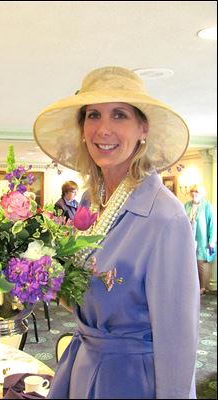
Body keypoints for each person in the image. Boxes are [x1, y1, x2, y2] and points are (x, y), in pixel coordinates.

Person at [33, 66, 200, 399]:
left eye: (119, 115)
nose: (103, 128)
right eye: (93, 115)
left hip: (129, 382)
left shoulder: (165, 217)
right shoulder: (88, 203)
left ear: (143, 129)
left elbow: (178, 339)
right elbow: (87, 295)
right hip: (80, 366)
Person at [185, 184, 216, 296]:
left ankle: (203, 287)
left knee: (201, 263)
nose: (194, 194)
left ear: (202, 194)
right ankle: (193, 286)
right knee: (191, 262)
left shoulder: (207, 205)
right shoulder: (187, 205)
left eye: (196, 191)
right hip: (189, 238)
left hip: (202, 240)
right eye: (192, 191)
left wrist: (212, 241)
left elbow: (212, 224)